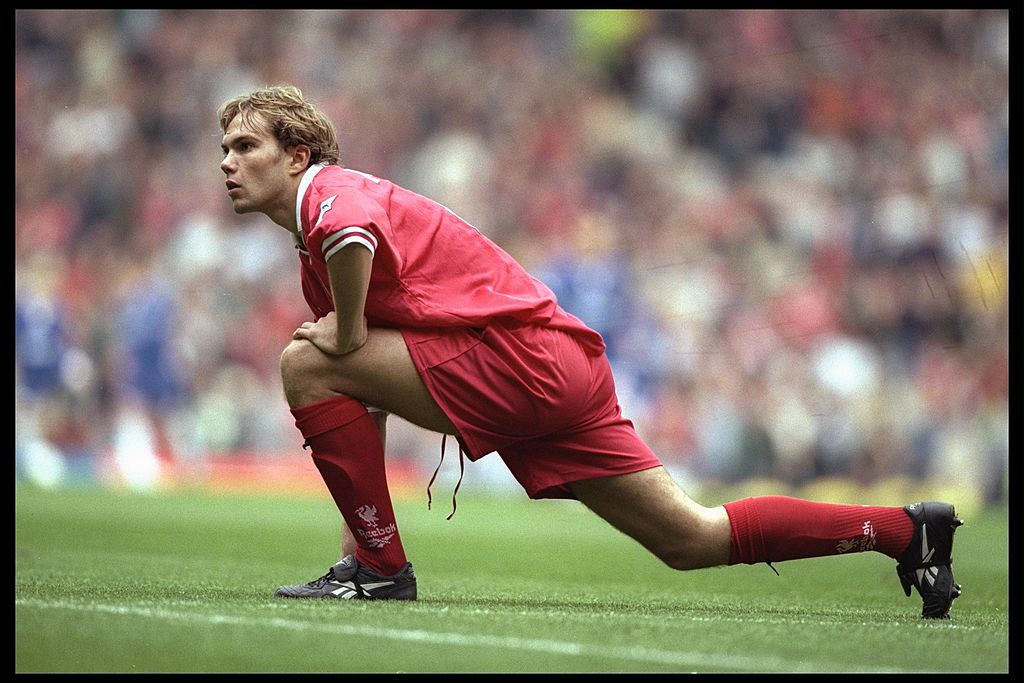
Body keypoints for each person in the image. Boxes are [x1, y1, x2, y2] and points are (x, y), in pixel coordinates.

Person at [217, 84, 963, 618]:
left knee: (305, 361)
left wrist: (345, 333)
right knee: (690, 536)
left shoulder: (328, 192)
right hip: (558, 365)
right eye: (224, 148)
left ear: (297, 155)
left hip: (521, 361)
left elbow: (354, 243)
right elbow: (366, 401)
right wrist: (362, 536)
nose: (227, 161)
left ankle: (381, 574)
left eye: (246, 145)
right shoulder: (315, 244)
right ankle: (902, 529)